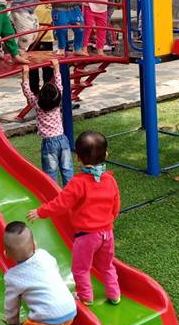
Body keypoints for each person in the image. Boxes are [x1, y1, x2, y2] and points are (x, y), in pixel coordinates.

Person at [27, 131, 121, 305]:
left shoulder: (78, 183)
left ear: (78, 158)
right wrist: (111, 218)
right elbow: (116, 203)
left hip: (87, 236)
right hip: (107, 233)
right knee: (107, 265)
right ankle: (114, 294)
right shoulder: (110, 180)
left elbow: (61, 203)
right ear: (106, 154)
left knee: (80, 268)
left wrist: (41, 212)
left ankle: (85, 296)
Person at [3, 221, 77, 325]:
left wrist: (13, 322)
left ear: (6, 254)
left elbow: (11, 304)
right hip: (70, 311)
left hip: (47, 318)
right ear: (35, 245)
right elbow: (55, 272)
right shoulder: (44, 255)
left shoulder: (12, 277)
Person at [20, 59, 72, 187]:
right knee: (67, 169)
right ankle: (70, 192)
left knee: (50, 172)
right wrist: (56, 67)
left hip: (49, 144)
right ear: (58, 96)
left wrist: (25, 74)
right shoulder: (57, 103)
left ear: (40, 97)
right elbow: (59, 84)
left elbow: (27, 91)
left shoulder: (37, 105)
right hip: (63, 140)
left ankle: (53, 193)